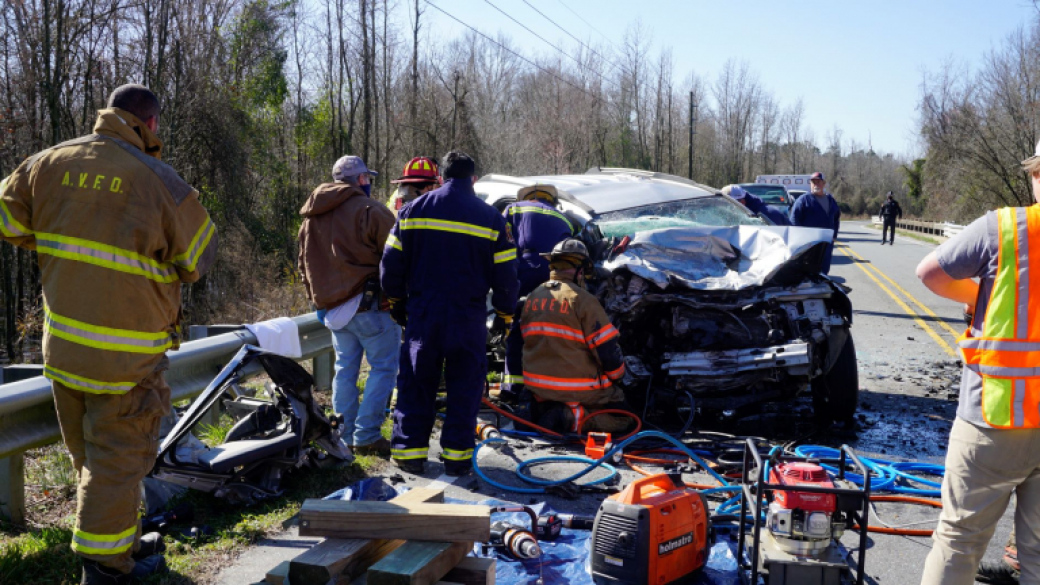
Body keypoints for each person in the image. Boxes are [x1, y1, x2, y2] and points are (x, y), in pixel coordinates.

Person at [0, 84, 217, 584]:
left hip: (64, 351)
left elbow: (9, 219)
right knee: (117, 465)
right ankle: (104, 570)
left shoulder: (47, 162)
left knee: (92, 464)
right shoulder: (162, 182)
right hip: (126, 361)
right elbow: (197, 260)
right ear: (151, 123)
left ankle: (118, 541)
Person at [914, 140, 1040, 585]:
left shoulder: (1004, 229)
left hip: (994, 417)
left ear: (1034, 173)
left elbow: (930, 272)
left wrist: (978, 299)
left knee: (959, 541)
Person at [380, 151, 518, 475]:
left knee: (416, 382)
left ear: (440, 176)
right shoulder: (492, 219)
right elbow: (507, 277)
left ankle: (409, 454)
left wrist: (398, 303)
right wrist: (504, 315)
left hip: (423, 313)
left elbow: (389, 266)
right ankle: (457, 460)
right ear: (473, 179)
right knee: (464, 386)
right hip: (468, 317)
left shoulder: (412, 211)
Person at [298, 155, 398, 457]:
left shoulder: (310, 217)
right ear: (363, 180)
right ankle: (366, 435)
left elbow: (303, 265)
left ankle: (341, 435)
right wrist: (399, 297)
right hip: (371, 307)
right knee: (383, 368)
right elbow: (397, 259)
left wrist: (319, 300)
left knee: (344, 371)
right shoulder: (372, 211)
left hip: (334, 310)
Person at [519, 239, 630, 434]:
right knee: (625, 417)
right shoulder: (583, 300)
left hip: (538, 386)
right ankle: (572, 418)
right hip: (576, 388)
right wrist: (619, 378)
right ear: (580, 269)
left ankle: (544, 410)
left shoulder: (532, 297)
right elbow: (607, 351)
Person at [498, 184, 578, 405]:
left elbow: (500, 238)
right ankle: (543, 389)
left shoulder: (513, 209)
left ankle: (513, 389)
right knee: (546, 328)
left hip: (522, 269)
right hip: (553, 274)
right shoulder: (563, 218)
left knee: (516, 326)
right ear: (551, 200)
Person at [789, 171, 841, 273]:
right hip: (810, 242)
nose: (816, 184)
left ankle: (823, 283)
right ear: (810, 184)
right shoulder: (804, 200)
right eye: (813, 182)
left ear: (823, 183)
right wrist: (800, 237)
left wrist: (834, 235)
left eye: (818, 182)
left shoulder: (831, 200)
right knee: (809, 268)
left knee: (824, 267)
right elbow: (794, 219)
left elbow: (836, 218)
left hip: (826, 241)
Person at [722, 184, 791, 226]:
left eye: (729, 205)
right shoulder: (736, 216)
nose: (727, 209)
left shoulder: (770, 215)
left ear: (742, 202)